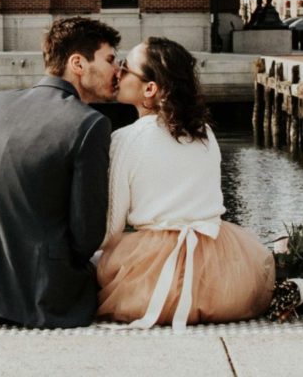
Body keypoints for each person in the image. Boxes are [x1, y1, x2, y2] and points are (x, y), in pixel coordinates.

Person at [0, 16, 119, 328]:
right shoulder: (90, 124)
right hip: (40, 301)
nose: (117, 70)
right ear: (78, 63)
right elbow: (86, 237)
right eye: (110, 59)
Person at [96, 37, 275, 329]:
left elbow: (111, 231)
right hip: (224, 273)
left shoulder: (126, 140)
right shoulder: (204, 133)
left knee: (99, 264)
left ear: (149, 89)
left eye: (126, 68)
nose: (118, 72)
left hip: (151, 275)